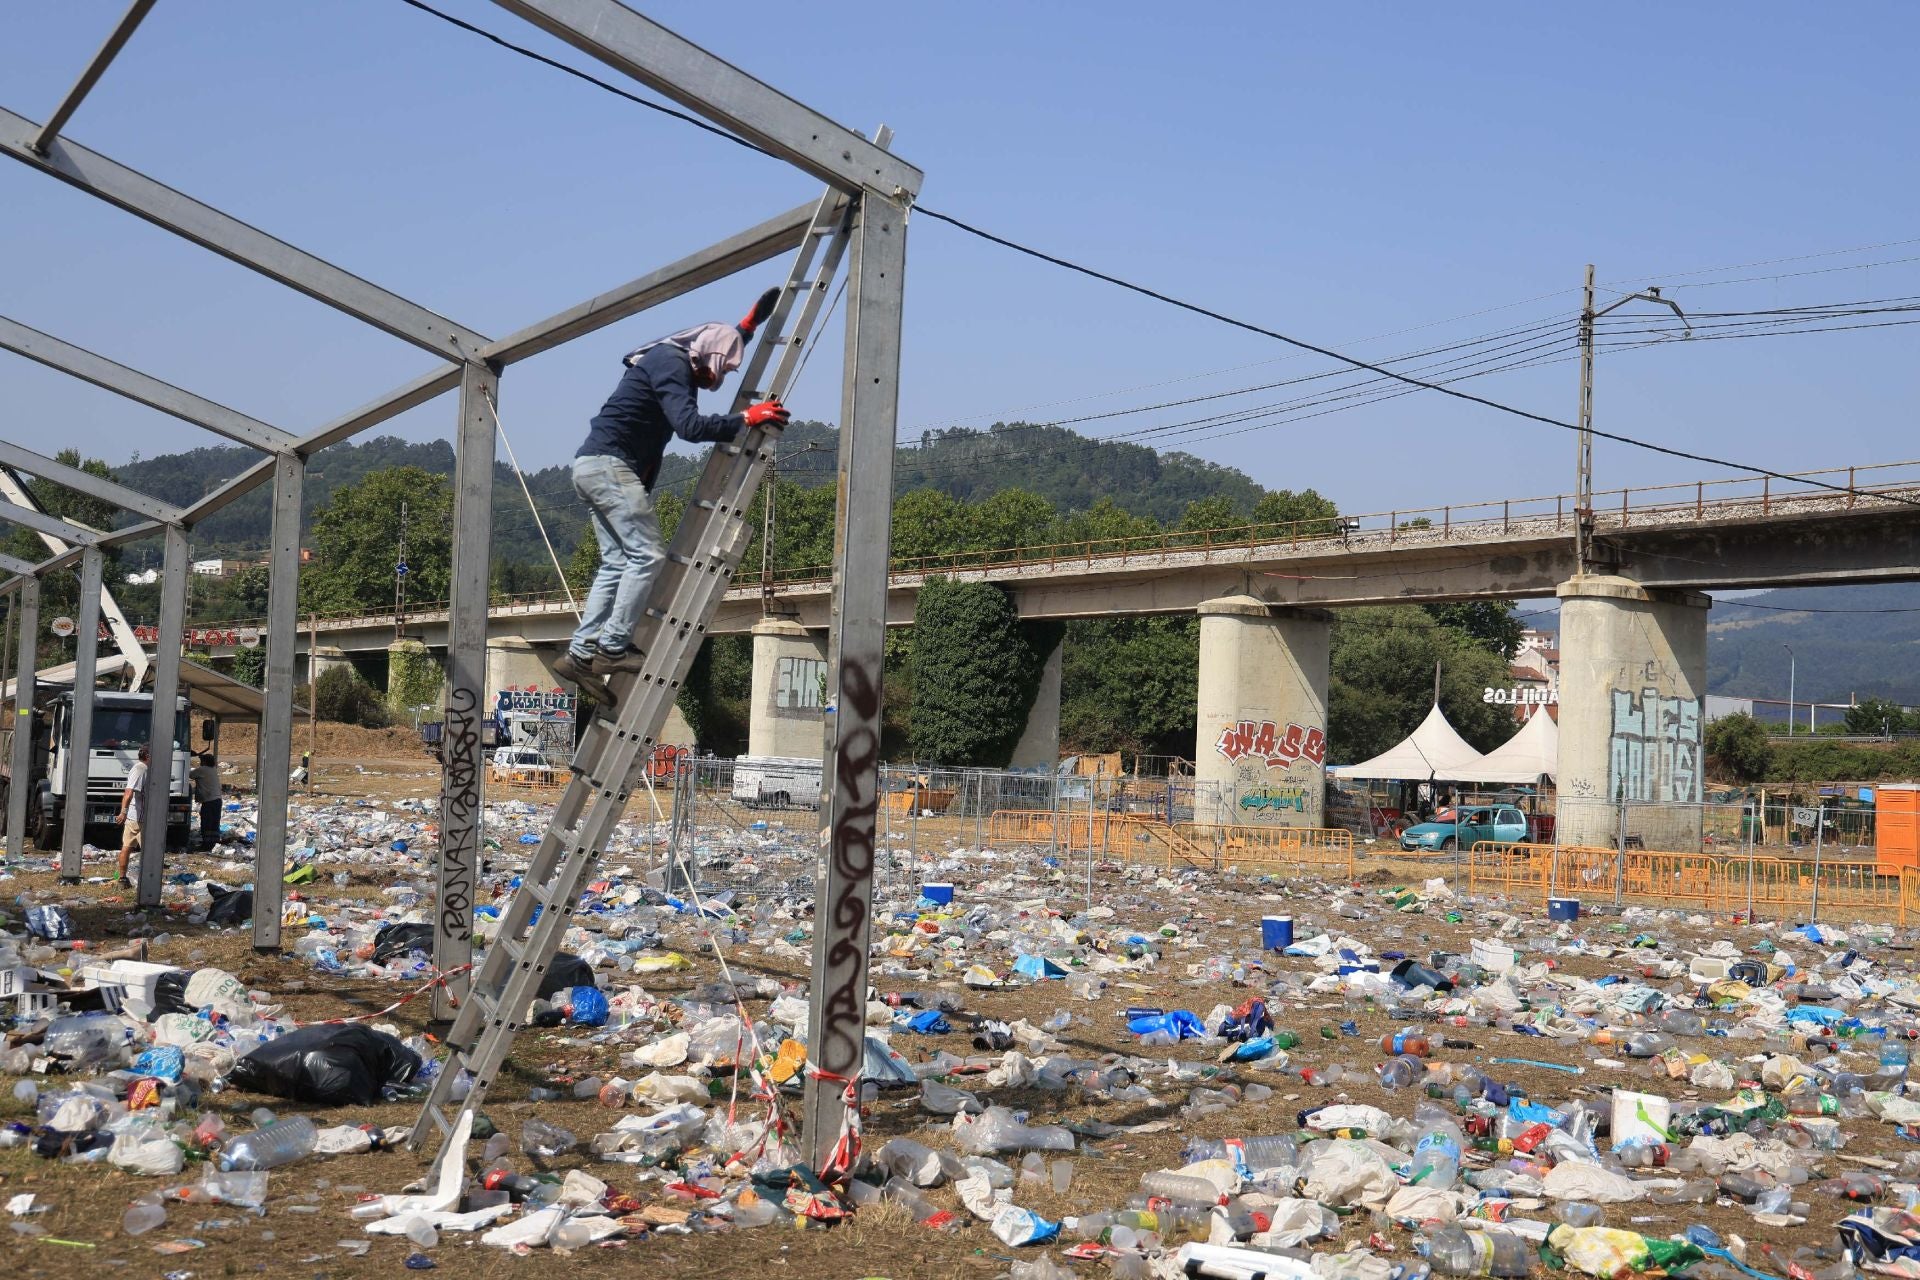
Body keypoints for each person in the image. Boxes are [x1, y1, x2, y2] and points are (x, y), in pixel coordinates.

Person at [553, 289, 790, 708]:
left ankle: (579, 655)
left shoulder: (676, 358)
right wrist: (745, 419)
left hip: (591, 467)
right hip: (610, 468)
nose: (721, 379)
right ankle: (611, 647)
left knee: (616, 562)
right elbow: (689, 426)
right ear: (708, 355)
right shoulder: (672, 363)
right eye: (723, 369)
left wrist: (748, 327)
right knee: (646, 556)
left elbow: (721, 343)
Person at [115, 744, 149, 886]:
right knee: (148, 850)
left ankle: (123, 878)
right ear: (148, 756)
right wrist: (123, 811)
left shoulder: (142, 768)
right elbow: (128, 792)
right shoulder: (140, 769)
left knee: (127, 846)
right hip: (140, 817)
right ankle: (147, 880)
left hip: (135, 816)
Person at [191, 752, 223, 850]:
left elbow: (190, 775)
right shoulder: (213, 769)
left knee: (206, 823)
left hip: (209, 801)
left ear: (204, 762)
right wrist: (200, 755)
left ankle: (206, 845)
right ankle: (214, 843)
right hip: (217, 800)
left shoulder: (202, 770)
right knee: (214, 823)